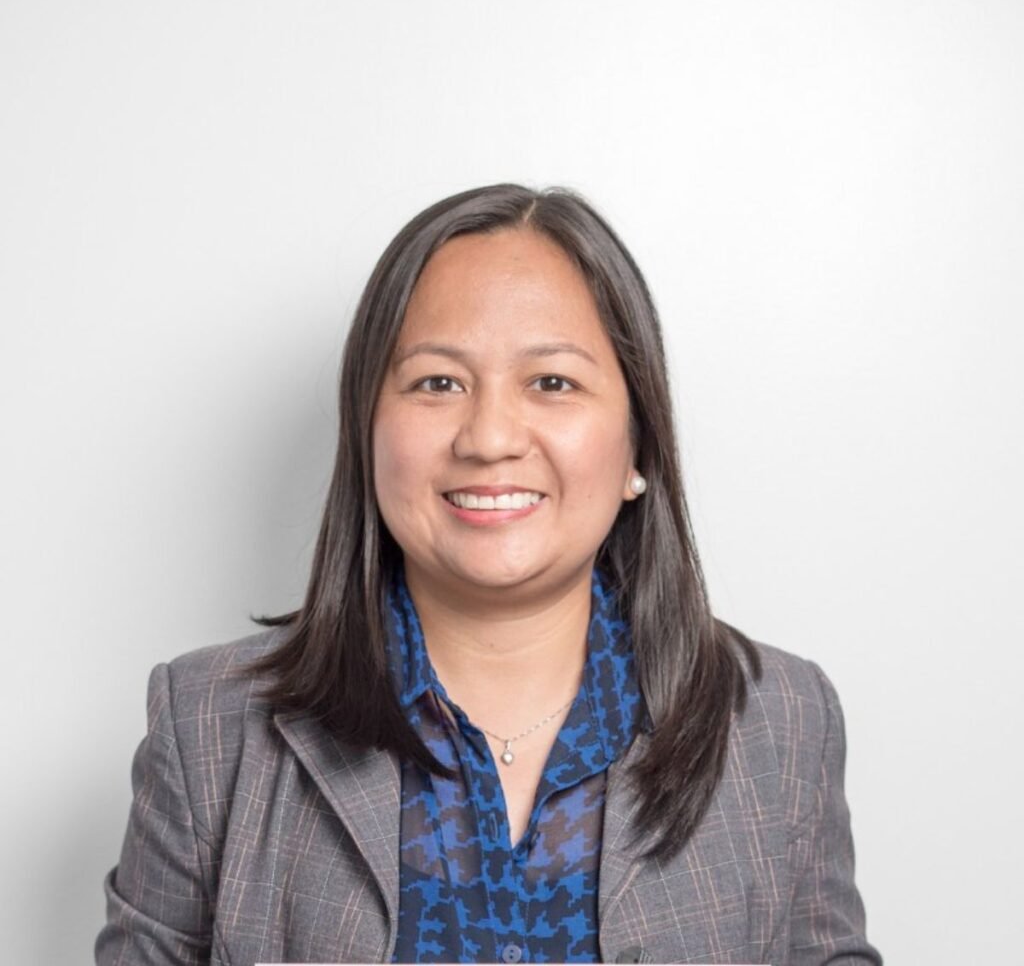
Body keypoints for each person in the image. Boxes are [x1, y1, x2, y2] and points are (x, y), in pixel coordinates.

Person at [97, 184, 881, 965]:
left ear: (638, 446)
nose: (490, 437)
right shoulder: (209, 727)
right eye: (438, 383)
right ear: (367, 432)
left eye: (552, 382)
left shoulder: (781, 723)